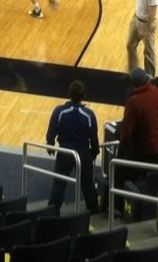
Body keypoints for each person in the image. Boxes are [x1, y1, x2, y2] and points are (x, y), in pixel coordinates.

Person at [45, 80, 100, 214]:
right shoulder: (89, 115)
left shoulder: (59, 111)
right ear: (84, 96)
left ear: (68, 94)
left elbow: (51, 132)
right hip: (83, 153)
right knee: (87, 183)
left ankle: (52, 211)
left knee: (59, 183)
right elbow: (94, 138)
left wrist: (50, 146)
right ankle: (93, 210)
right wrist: (94, 153)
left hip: (64, 151)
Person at [127, 0, 158, 75]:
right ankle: (133, 73)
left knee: (149, 52)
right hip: (136, 20)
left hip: (147, 24)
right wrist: (134, 18)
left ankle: (150, 77)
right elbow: (139, 4)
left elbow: (153, 12)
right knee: (130, 45)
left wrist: (146, 29)